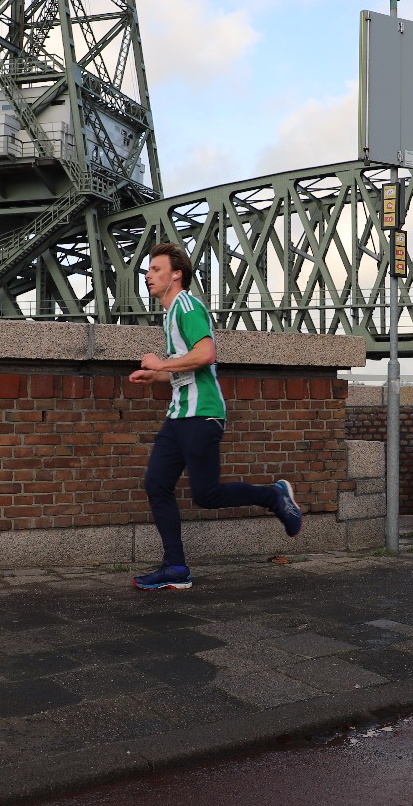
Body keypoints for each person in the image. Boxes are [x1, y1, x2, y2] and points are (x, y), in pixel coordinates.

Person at [129, 243, 303, 590]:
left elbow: (206, 354)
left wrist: (162, 363)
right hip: (179, 415)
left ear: (176, 275)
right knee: (156, 484)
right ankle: (176, 568)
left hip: (203, 413)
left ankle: (274, 495)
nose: (148, 275)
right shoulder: (171, 314)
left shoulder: (187, 306)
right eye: (149, 270)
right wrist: (156, 375)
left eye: (156, 269)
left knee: (206, 495)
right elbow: (188, 367)